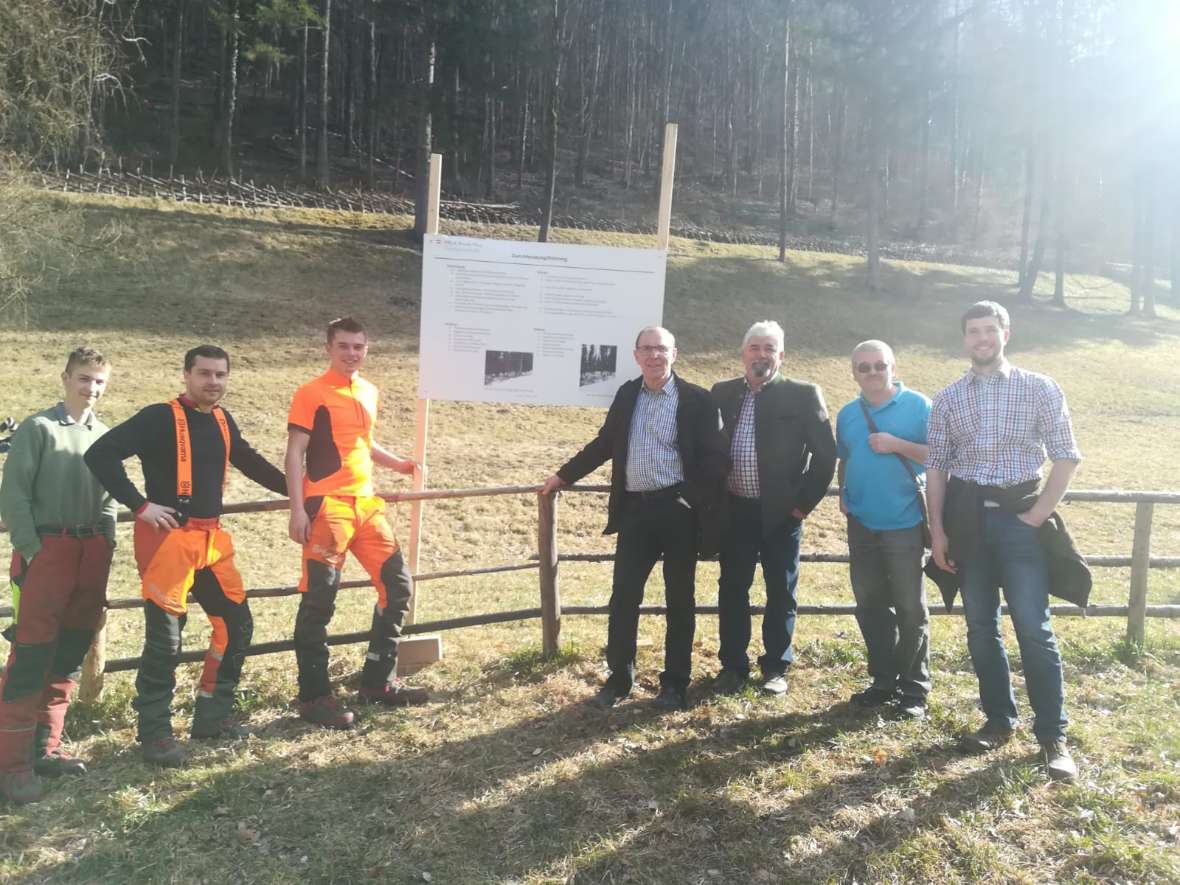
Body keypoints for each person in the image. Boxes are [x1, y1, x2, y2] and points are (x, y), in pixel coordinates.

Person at [85, 345, 287, 767]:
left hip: (211, 540)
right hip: (168, 541)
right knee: (165, 642)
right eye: (205, 374)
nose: (213, 382)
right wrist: (140, 506)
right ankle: (155, 735)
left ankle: (213, 717)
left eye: (220, 375)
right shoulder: (157, 417)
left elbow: (249, 461)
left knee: (236, 624)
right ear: (186, 375)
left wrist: (299, 491)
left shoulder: (221, 419)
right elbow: (100, 454)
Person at [927, 300, 1082, 781]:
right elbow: (936, 469)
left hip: (1020, 525)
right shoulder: (949, 398)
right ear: (964, 338)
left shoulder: (1039, 388)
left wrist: (1039, 514)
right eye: (973, 331)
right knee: (979, 626)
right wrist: (937, 532)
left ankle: (1052, 735)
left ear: (1005, 334)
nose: (981, 338)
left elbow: (1066, 457)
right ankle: (999, 719)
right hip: (968, 525)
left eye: (989, 330)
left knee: (1034, 627)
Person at [541, 326, 729, 710]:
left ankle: (675, 683)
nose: (654, 356)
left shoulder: (697, 399)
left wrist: (688, 499)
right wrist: (563, 476)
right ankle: (619, 678)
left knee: (680, 599)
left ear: (675, 353)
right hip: (635, 512)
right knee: (624, 597)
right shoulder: (628, 395)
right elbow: (605, 444)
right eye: (647, 349)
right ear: (636, 355)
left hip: (679, 514)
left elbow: (716, 458)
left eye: (661, 349)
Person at [286, 317, 427, 730]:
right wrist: (296, 509)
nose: (352, 353)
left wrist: (399, 464)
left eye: (358, 346)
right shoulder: (311, 393)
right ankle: (314, 696)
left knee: (398, 586)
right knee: (319, 600)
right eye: (344, 346)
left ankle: (378, 683)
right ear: (328, 347)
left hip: (367, 505)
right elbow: (295, 453)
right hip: (326, 506)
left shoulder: (368, 391)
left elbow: (364, 443)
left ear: (367, 349)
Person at [0, 349, 116, 804]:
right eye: (84, 378)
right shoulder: (38, 429)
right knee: (30, 657)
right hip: (47, 550)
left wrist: (105, 543)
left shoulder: (103, 435)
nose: (91, 388)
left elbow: (109, 497)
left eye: (100, 382)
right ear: (66, 377)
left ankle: (45, 748)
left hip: (90, 552)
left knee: (68, 651)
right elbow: (14, 495)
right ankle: (11, 767)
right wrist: (33, 550)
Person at [710, 321, 836, 696]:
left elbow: (826, 455)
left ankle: (776, 668)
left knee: (780, 590)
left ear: (781, 355)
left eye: (769, 348)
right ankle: (732, 666)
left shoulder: (802, 394)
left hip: (781, 515)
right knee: (732, 588)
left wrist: (802, 506)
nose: (761, 355)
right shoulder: (722, 393)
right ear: (743, 353)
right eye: (754, 347)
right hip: (735, 511)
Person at [835, 340, 931, 719]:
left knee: (909, 608)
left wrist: (897, 444)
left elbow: (940, 455)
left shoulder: (919, 406)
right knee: (870, 606)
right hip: (861, 523)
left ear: (893, 366)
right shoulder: (847, 414)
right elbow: (844, 456)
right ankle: (883, 681)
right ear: (854, 372)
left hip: (905, 523)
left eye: (879, 365)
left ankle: (914, 689)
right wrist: (843, 492)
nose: (873, 372)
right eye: (864, 367)